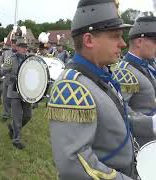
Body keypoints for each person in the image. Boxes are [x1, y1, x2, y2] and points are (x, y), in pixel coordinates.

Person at [47, 0, 137, 179]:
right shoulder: (71, 87)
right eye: (115, 36)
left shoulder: (100, 75)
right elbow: (74, 165)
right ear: (89, 40)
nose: (123, 44)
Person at [112, 15, 156, 147]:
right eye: (155, 41)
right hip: (143, 145)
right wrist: (151, 123)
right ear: (139, 42)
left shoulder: (149, 65)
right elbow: (119, 110)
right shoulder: (125, 71)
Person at [0, 26, 32, 149]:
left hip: (26, 92)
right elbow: (2, 73)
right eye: (21, 47)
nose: (24, 49)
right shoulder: (10, 59)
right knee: (17, 116)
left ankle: (12, 127)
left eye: (25, 47)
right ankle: (16, 140)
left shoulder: (30, 60)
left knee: (27, 116)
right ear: (17, 47)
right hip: (14, 91)